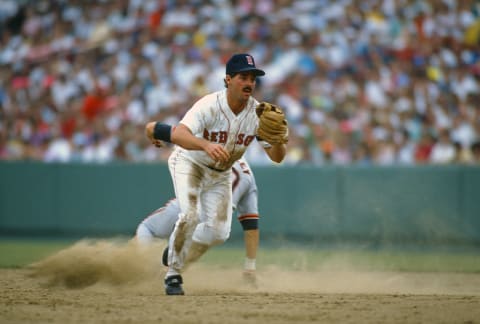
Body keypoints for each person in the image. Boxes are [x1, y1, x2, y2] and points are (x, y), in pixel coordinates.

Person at [145, 53, 286, 295]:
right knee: (190, 214)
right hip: (190, 162)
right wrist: (205, 145)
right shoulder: (209, 104)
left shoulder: (258, 114)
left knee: (219, 233)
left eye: (253, 78)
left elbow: (277, 157)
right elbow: (179, 134)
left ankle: (175, 247)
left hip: (220, 174)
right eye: (243, 77)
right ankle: (173, 275)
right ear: (228, 80)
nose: (249, 82)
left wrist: (280, 140)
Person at [136, 157, 260, 285]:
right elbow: (251, 226)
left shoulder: (214, 146)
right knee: (204, 241)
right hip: (212, 220)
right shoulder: (248, 175)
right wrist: (250, 267)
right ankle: (161, 270)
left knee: (146, 228)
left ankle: (151, 268)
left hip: (190, 205)